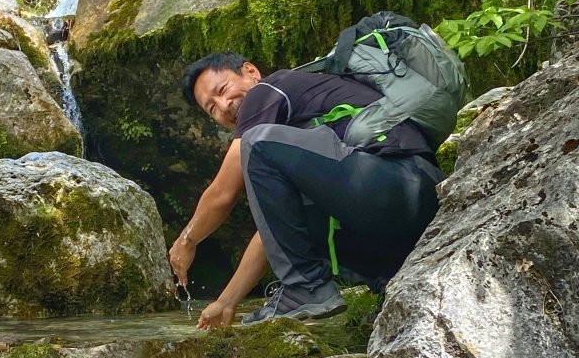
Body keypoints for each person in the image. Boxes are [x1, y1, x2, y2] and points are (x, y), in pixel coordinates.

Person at [167, 52, 442, 329]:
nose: (224, 106)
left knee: (255, 143)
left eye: (222, 90)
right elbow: (275, 231)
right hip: (407, 213)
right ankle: (382, 281)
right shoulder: (297, 140)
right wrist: (226, 302)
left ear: (250, 71)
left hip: (400, 180)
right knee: (288, 212)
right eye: (211, 108)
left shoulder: (268, 90)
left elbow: (223, 193)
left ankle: (306, 288)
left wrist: (186, 241)